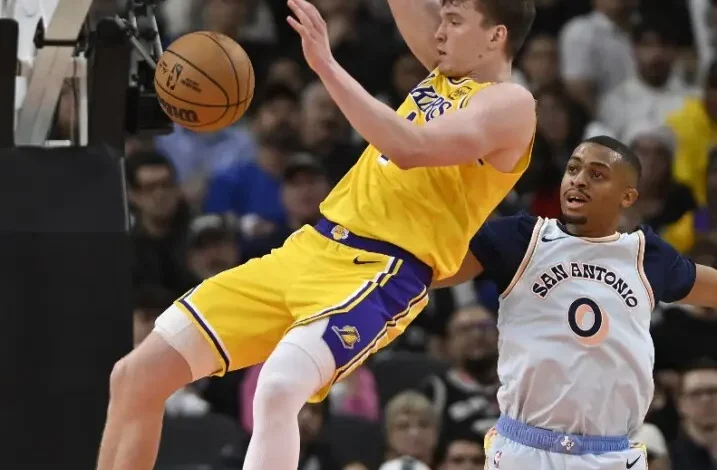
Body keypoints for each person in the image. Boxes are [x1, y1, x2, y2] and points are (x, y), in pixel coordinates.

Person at [96, 0, 537, 468]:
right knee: (136, 374)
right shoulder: (447, 72)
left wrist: (326, 64)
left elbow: (410, 147)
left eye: (454, 21)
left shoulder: (511, 103)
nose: (440, 32)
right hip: (310, 247)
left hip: (382, 270)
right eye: (442, 20)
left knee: (280, 387)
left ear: (496, 36)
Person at [434, 136, 717, 469]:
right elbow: (436, 272)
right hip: (525, 449)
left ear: (627, 196)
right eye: (573, 169)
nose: (578, 180)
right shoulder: (523, 239)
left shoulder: (645, 255)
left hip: (610, 453)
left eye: (597, 175)